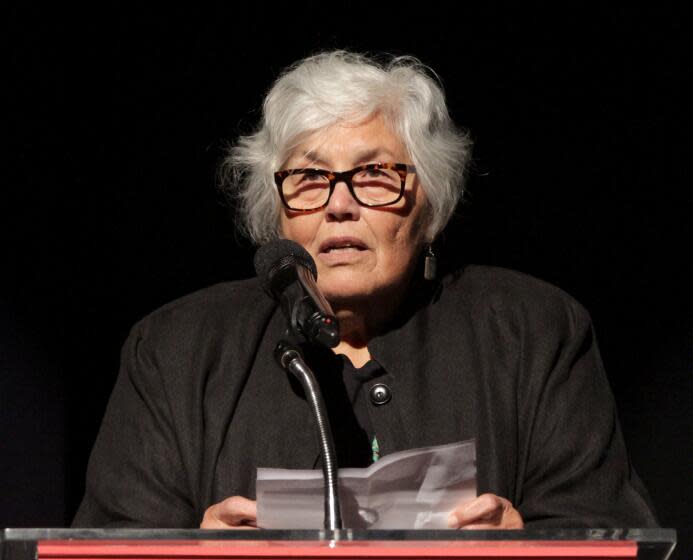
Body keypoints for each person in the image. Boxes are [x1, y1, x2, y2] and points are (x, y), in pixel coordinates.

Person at [72, 50, 657, 530]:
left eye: (375, 175)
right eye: (309, 178)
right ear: (277, 213)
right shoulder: (174, 350)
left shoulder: (534, 331)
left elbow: (602, 530)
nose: (340, 205)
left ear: (430, 205)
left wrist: (524, 548)